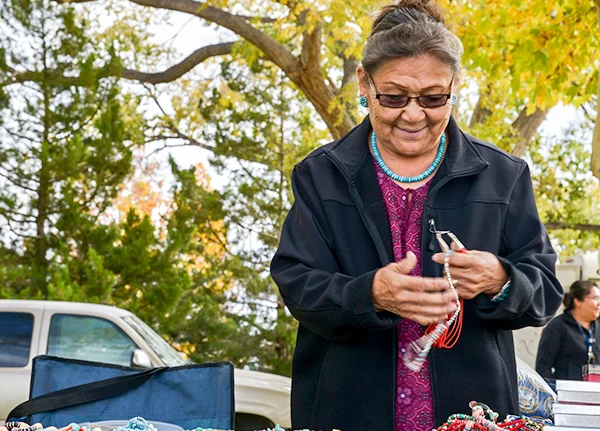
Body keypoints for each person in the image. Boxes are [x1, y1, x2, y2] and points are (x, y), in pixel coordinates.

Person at [270, 1, 563, 430]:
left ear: (455, 85)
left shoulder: (504, 176)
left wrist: (500, 279)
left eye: (432, 97)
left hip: (475, 415)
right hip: (347, 411)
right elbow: (296, 284)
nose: (413, 114)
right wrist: (368, 294)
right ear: (363, 83)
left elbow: (545, 292)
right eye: (393, 96)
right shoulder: (321, 175)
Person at [536, 280, 600, 383]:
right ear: (578, 301)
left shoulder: (597, 326)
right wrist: (556, 391)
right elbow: (543, 367)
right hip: (568, 394)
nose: (599, 303)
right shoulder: (558, 326)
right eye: (595, 298)